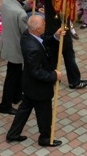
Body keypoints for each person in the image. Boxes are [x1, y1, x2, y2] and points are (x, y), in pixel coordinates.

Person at [5, 14, 64, 147]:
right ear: (37, 29)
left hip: (29, 84)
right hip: (39, 88)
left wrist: (55, 36)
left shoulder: (28, 35)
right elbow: (37, 72)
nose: (45, 26)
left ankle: (13, 133)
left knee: (24, 109)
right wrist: (54, 76)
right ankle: (45, 138)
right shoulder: (33, 49)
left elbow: (43, 40)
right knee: (44, 114)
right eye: (43, 25)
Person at [0, 0, 30, 116]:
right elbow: (25, 32)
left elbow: (18, 6)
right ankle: (5, 104)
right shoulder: (21, 14)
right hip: (15, 48)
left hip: (6, 42)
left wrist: (29, 1)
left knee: (16, 73)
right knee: (12, 76)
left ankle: (17, 96)